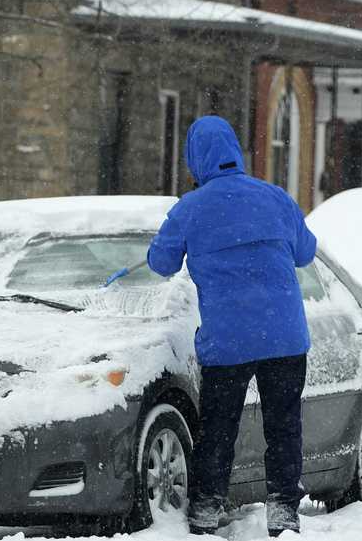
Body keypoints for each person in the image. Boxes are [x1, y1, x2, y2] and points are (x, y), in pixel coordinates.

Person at [147, 115, 317, 537]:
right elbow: (305, 253)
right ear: (234, 151)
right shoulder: (275, 197)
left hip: (229, 341)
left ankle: (206, 507)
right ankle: (283, 510)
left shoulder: (190, 209)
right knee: (284, 424)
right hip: (284, 334)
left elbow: (160, 263)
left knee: (219, 427)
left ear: (195, 158)